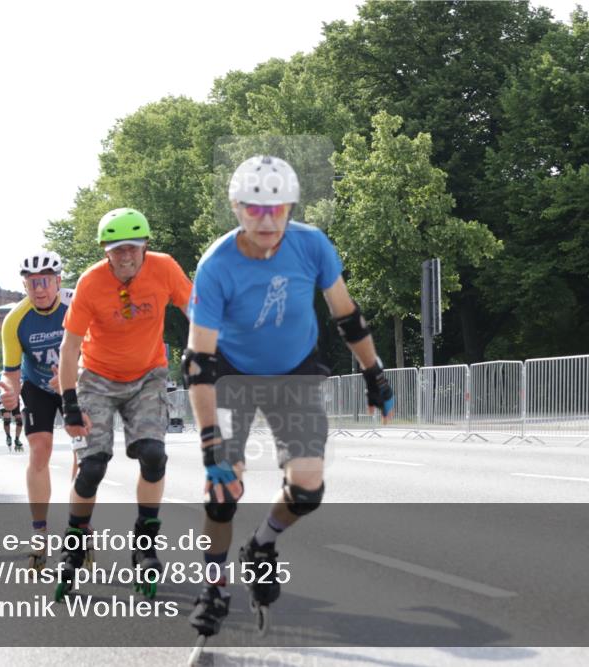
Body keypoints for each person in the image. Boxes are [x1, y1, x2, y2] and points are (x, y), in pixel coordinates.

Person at [184, 155, 394, 638]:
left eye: (277, 208)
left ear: (292, 207)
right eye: (255, 209)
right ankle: (213, 586)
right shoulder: (216, 265)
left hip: (294, 373)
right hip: (232, 374)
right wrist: (211, 439)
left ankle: (260, 545)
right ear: (236, 207)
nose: (267, 220)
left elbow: (348, 316)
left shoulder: (312, 245)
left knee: (307, 490)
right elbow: (198, 361)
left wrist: (373, 373)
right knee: (221, 491)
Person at [56, 207, 192, 597]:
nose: (126, 257)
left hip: (148, 375)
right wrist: (69, 402)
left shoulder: (165, 269)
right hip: (96, 379)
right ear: (105, 252)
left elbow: (196, 310)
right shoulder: (90, 283)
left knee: (153, 455)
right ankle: (74, 543)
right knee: (93, 466)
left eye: (133, 248)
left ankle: (145, 542)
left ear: (145, 246)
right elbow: (69, 350)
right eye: (117, 250)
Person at [0, 250, 75, 568]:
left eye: (45, 282)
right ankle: (40, 531)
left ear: (58, 281)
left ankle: (78, 528)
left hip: (75, 382)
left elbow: (99, 351)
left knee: (84, 453)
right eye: (32, 284)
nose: (39, 289)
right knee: (39, 450)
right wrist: (8, 392)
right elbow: (10, 371)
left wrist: (75, 375)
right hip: (37, 386)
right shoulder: (15, 320)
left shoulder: (77, 305)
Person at [0, 369, 24, 451]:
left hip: (16, 398)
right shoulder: (1, 373)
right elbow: (0, 386)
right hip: (5, 398)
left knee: (19, 421)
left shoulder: (20, 372)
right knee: (7, 420)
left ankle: (17, 439)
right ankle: (8, 436)